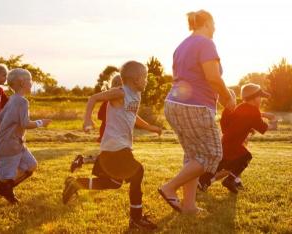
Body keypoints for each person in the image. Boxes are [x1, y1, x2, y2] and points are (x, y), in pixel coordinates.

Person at [63, 61, 160, 230]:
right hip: (115, 146)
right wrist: (87, 119)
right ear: (135, 79)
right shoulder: (120, 92)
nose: (146, 81)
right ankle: (136, 219)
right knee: (138, 171)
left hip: (119, 146)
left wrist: (151, 127)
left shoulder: (135, 95)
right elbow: (93, 98)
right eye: (144, 77)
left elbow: (133, 116)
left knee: (114, 183)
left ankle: (77, 184)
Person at [158, 10, 236, 214]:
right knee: (213, 154)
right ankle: (169, 187)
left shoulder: (181, 46)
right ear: (208, 23)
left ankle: (189, 205)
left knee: (193, 155)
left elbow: (193, 78)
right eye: (214, 24)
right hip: (195, 106)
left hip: (174, 104)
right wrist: (228, 98)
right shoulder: (206, 43)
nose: (215, 29)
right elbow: (212, 77)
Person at [0, 68, 52, 207]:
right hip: (9, 144)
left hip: (18, 143)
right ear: (22, 82)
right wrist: (41, 123)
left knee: (31, 165)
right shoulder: (22, 102)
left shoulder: (12, 99)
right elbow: (25, 123)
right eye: (30, 80)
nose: (32, 83)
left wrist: (9, 129)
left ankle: (6, 189)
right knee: (4, 177)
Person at [198, 84, 276, 193]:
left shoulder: (240, 107)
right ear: (254, 98)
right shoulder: (254, 111)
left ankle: (202, 182)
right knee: (246, 157)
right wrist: (273, 121)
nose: (261, 100)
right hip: (234, 144)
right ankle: (230, 180)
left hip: (226, 142)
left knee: (221, 165)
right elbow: (263, 128)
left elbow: (234, 123)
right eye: (260, 97)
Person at [70, 75, 123, 171]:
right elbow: (103, 116)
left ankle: (82, 160)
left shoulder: (112, 100)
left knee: (109, 155)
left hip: (110, 131)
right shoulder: (110, 101)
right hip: (110, 132)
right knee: (112, 156)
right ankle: (84, 161)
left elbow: (100, 116)